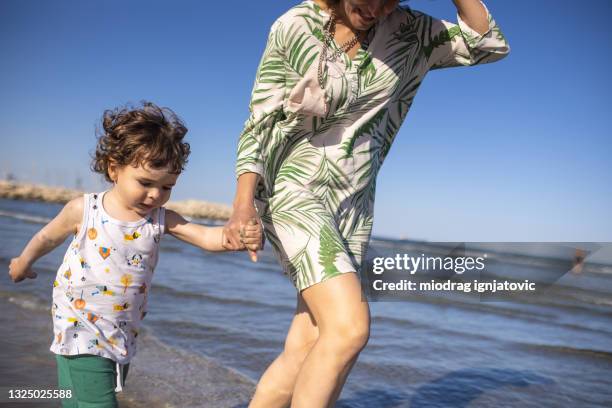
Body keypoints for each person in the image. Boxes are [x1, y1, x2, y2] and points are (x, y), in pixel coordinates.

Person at [223, 0, 510, 406]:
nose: (377, 7)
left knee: (309, 342)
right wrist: (242, 204)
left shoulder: (411, 29)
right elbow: (261, 120)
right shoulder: (295, 24)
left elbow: (487, 43)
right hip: (294, 188)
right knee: (349, 328)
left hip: (353, 205)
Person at [8, 102, 262, 407]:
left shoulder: (159, 219)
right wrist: (23, 262)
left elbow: (207, 236)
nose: (155, 194)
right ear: (114, 168)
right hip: (80, 325)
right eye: (145, 182)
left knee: (76, 399)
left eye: (167, 186)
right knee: (98, 402)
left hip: (122, 331)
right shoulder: (84, 208)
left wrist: (237, 236)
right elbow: (46, 236)